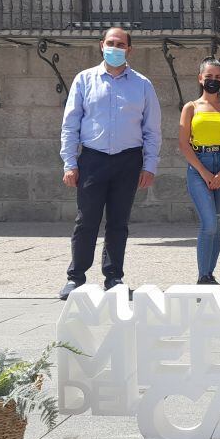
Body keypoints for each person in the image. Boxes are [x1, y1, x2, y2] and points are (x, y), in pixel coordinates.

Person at [59, 27, 161, 300]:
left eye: (121, 44)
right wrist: (70, 163)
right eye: (110, 43)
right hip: (92, 159)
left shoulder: (142, 85)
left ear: (130, 49)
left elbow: (152, 129)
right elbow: (70, 124)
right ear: (101, 45)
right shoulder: (84, 80)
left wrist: (149, 165)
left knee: (118, 222)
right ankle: (75, 277)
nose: (115, 48)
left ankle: (114, 276)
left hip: (128, 160)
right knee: (86, 220)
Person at [179, 57, 220, 285]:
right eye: (209, 76)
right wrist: (204, 172)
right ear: (200, 78)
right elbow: (184, 144)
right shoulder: (190, 108)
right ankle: (203, 275)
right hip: (198, 166)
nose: (213, 81)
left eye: (218, 77)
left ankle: (209, 273)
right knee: (209, 223)